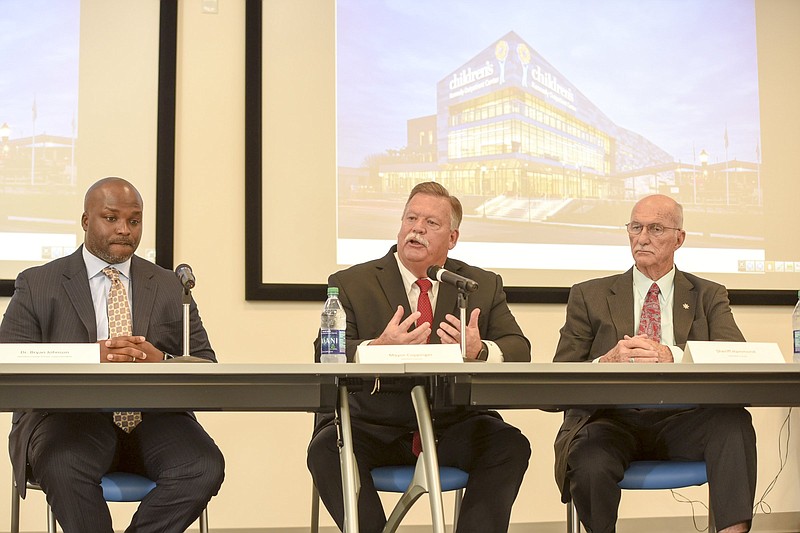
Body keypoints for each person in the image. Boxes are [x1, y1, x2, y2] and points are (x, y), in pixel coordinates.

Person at [0, 177, 225, 532]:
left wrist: (161, 362)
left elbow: (206, 363)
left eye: (134, 221)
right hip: (67, 418)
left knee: (202, 466)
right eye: (111, 218)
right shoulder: (39, 282)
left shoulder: (170, 286)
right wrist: (89, 357)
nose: (124, 230)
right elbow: (9, 359)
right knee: (62, 464)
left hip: (156, 420)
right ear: (86, 221)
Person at [307, 182, 531, 533]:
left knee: (510, 445)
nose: (417, 229)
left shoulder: (479, 285)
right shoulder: (353, 282)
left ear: (453, 238)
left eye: (431, 223)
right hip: (374, 426)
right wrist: (374, 348)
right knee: (324, 451)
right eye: (411, 218)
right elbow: (324, 351)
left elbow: (520, 349)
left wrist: (481, 351)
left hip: (452, 426)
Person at [553, 194, 756, 533]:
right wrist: (606, 360)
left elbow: (733, 353)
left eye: (656, 228)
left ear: (679, 238)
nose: (642, 237)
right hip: (609, 421)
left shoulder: (708, 294)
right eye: (636, 227)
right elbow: (562, 375)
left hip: (685, 420)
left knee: (733, 423)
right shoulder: (589, 295)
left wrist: (672, 355)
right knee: (589, 457)